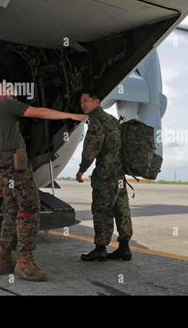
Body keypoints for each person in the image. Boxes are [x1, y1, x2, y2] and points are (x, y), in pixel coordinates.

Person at [0, 90, 87, 282]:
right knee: (30, 206)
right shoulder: (6, 105)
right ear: (0, 95)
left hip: (0, 166)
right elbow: (40, 112)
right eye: (9, 92)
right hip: (14, 165)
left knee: (12, 210)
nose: (13, 95)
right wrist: (71, 115)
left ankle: (3, 259)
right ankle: (25, 261)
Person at [77, 90, 133, 262]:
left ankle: (100, 248)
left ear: (97, 101)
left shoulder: (96, 120)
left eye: (86, 100)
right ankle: (124, 248)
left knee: (102, 209)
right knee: (121, 209)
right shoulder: (113, 120)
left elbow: (91, 147)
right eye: (81, 102)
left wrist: (82, 169)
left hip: (105, 174)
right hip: (119, 174)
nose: (83, 104)